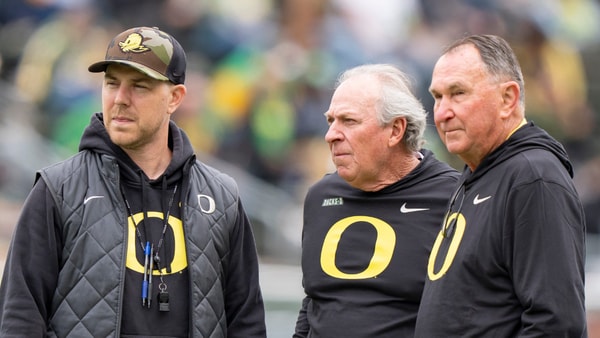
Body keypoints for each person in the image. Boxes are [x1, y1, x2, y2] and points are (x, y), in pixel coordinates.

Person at [0, 26, 267, 337]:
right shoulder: (57, 189)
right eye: (111, 84)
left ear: (175, 98)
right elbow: (19, 318)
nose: (120, 99)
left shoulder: (222, 198)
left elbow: (246, 323)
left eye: (139, 87)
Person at [415, 34, 587, 337]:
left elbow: (557, 324)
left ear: (507, 99)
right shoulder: (479, 172)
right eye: (438, 96)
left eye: (458, 93)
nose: (441, 113)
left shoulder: (534, 178)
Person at [293, 64, 460, 337]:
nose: (331, 135)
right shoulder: (320, 197)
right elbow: (314, 302)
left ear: (395, 130)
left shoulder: (454, 198)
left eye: (349, 121)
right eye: (330, 121)